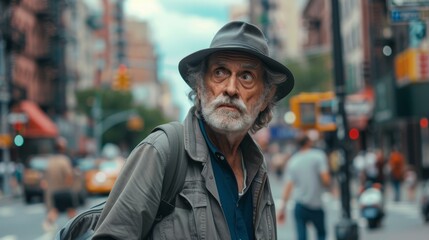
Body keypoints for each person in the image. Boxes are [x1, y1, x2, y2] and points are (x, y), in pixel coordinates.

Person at [92, 21, 294, 239]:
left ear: (265, 97)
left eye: (246, 77)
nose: (231, 88)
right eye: (220, 72)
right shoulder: (162, 150)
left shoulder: (256, 167)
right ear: (199, 86)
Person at [277, 135, 331, 240]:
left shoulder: (293, 161)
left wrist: (282, 209)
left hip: (300, 205)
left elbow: (288, 187)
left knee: (301, 237)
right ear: (309, 142)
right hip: (316, 204)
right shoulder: (319, 156)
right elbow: (326, 180)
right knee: (321, 234)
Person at [42, 137, 77, 231]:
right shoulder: (64, 160)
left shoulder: (49, 161)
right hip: (64, 190)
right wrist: (70, 187)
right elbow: (69, 176)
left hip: (52, 193)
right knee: (71, 211)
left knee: (55, 210)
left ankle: (48, 222)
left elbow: (45, 180)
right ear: (62, 148)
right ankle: (77, 227)